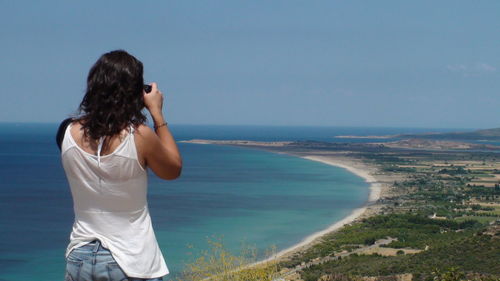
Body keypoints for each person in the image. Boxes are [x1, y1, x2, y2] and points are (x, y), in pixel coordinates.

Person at [60, 50, 182, 281]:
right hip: (130, 260)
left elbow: (96, 136)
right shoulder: (140, 136)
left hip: (80, 256)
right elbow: (172, 169)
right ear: (135, 92)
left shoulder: (65, 131)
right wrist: (157, 113)